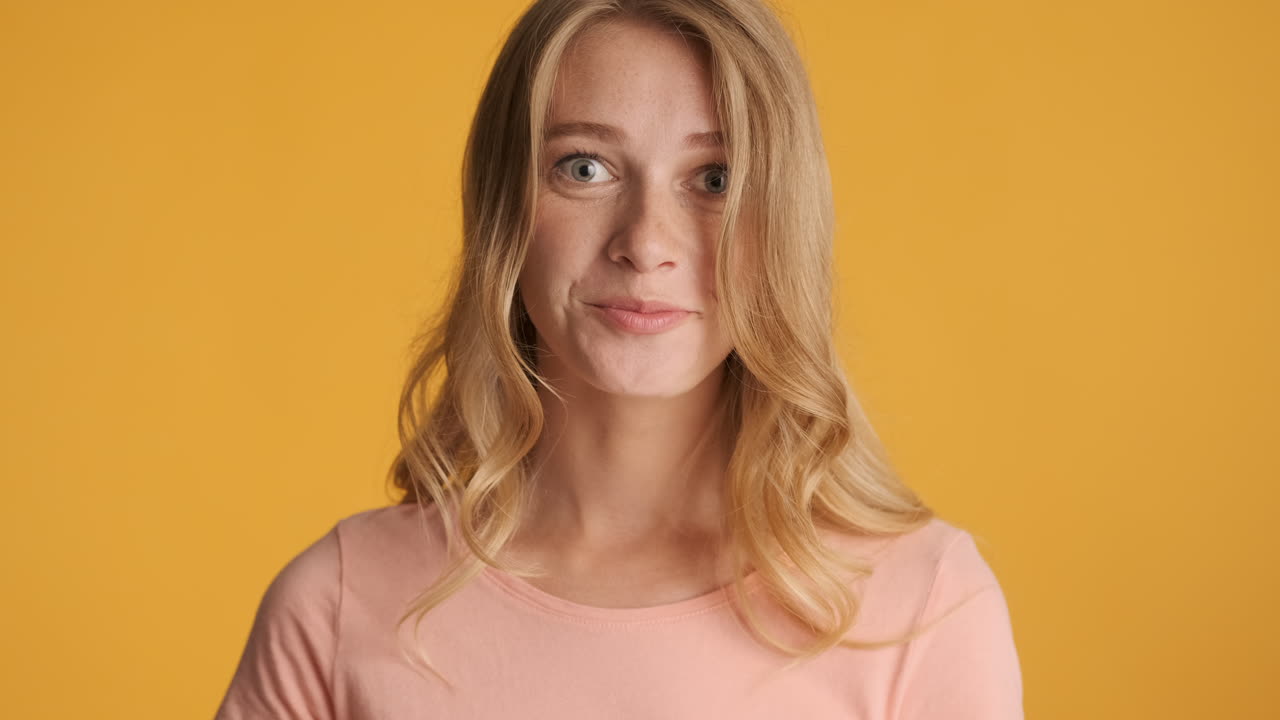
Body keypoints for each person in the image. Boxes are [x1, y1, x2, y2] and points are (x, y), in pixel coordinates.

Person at [214, 0, 1023, 718]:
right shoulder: (338, 603)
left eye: (715, 178)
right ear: (504, 210)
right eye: (585, 167)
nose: (644, 244)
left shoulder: (923, 607)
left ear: (784, 223)